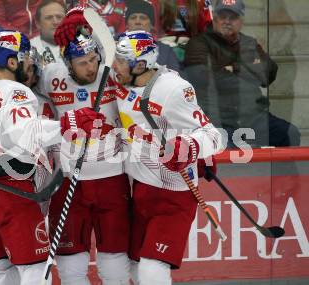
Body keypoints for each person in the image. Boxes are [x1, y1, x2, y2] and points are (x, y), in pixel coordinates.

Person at [0, 30, 105, 285]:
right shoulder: (17, 93)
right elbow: (26, 133)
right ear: (13, 62)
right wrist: (69, 123)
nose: (31, 64)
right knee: (35, 272)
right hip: (14, 193)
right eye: (27, 58)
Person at [112, 30, 222, 285]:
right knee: (135, 268)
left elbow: (214, 136)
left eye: (120, 59)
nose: (113, 64)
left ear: (140, 64)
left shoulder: (174, 89)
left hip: (174, 193)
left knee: (152, 269)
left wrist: (190, 148)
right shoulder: (121, 81)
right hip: (140, 189)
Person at [39, 20, 131, 285]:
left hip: (112, 177)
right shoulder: (51, 76)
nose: (90, 67)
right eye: (82, 63)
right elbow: (23, 93)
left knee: (114, 259)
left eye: (93, 59)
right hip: (67, 179)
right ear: (68, 64)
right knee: (70, 263)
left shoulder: (112, 73)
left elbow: (152, 74)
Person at [184, 0, 300, 148]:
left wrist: (234, 67)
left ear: (241, 21)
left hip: (253, 117)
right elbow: (202, 78)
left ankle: (285, 172)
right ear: (215, 18)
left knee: (289, 134)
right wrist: (250, 68)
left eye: (232, 17)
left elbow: (269, 74)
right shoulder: (199, 43)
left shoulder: (248, 42)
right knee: (232, 151)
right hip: (219, 119)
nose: (226, 21)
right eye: (222, 16)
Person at [124, 0, 180, 72]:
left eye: (143, 18)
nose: (137, 22)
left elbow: (178, 79)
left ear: (152, 25)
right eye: (133, 18)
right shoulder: (113, 48)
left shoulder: (165, 51)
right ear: (126, 25)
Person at [30, 0, 66, 66]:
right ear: (38, 23)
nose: (55, 22)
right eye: (49, 18)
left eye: (59, 17)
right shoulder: (31, 49)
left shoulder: (79, 43)